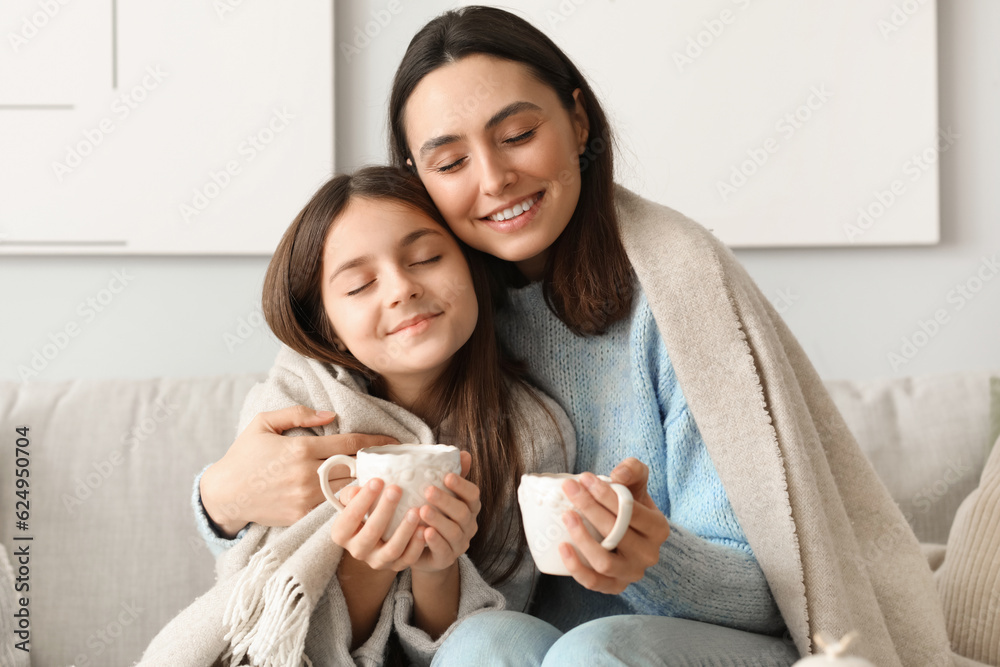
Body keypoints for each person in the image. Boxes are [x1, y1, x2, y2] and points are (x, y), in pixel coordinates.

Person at [197, 7, 960, 666]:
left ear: (579, 121)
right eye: (451, 159)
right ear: (415, 176)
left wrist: (652, 553)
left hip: (706, 642)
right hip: (529, 647)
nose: (493, 179)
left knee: (594, 652)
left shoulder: (675, 282)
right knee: (476, 646)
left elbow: (787, 586)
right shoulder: (417, 300)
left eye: (519, 133)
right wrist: (218, 495)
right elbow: (279, 520)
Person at [145, 165, 573, 666]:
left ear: (470, 264)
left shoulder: (531, 432)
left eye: (427, 257)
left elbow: (493, 646)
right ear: (326, 325)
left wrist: (438, 571)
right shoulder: (293, 402)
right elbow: (256, 603)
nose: (400, 289)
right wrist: (361, 567)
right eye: (358, 286)